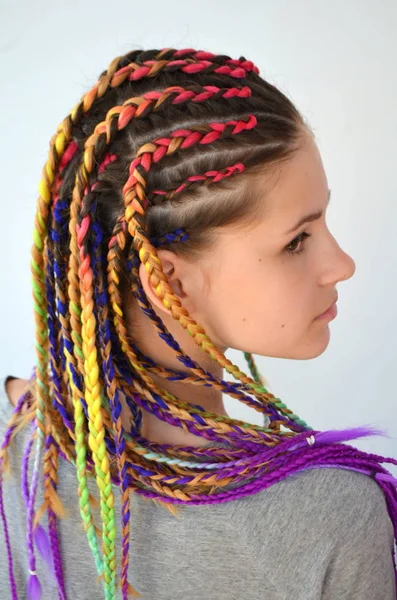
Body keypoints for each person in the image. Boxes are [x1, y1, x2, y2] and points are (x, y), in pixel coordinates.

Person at [0, 47, 396, 600]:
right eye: (297, 240)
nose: (342, 265)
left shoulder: (13, 446)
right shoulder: (330, 517)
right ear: (168, 279)